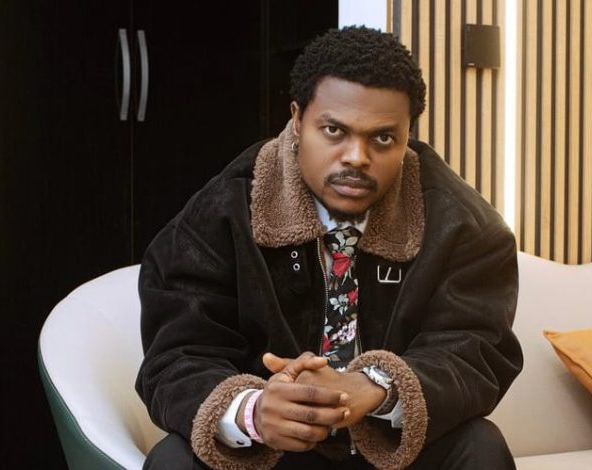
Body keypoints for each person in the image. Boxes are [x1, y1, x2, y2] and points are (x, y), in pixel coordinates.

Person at [137, 26, 522, 470]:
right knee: (173, 459)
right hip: (272, 452)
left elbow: (476, 348)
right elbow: (177, 356)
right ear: (297, 119)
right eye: (334, 130)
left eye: (383, 138)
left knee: (480, 445)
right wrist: (251, 412)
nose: (357, 157)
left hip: (391, 447)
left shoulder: (461, 224)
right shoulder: (222, 214)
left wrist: (378, 387)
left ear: (408, 135)